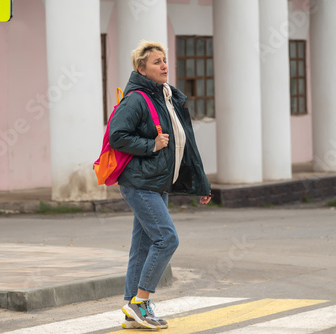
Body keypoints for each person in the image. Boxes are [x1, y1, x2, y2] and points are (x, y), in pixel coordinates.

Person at [109, 40, 212, 330]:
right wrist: (150, 145)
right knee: (167, 239)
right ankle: (141, 302)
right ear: (141, 69)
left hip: (156, 183)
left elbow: (185, 143)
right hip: (139, 182)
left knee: (142, 248)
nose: (164, 65)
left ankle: (133, 309)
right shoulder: (137, 99)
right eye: (156, 62)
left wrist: (201, 184)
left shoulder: (166, 96)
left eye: (164, 60)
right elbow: (118, 135)